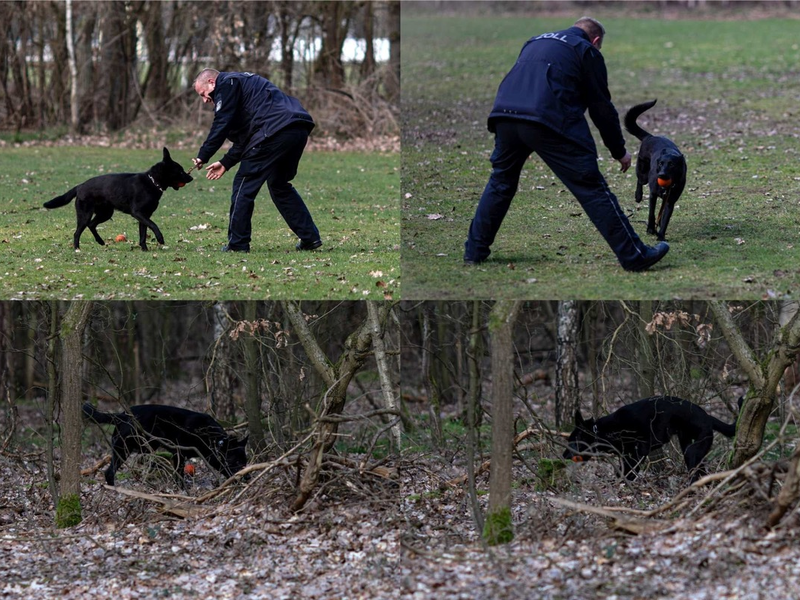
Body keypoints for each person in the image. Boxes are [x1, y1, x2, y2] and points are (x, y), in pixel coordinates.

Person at [463, 17, 669, 271]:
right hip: (548, 118)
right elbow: (601, 107)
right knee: (591, 188)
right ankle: (635, 256)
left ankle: (474, 251)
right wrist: (619, 151)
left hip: (505, 114)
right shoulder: (586, 50)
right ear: (595, 41)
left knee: (500, 182)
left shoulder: (535, 41)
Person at [192, 69, 321, 253]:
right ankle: (310, 238)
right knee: (279, 184)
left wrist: (203, 155)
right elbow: (247, 136)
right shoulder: (246, 89)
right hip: (297, 128)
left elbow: (222, 123)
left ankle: (237, 244)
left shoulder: (227, 84)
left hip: (274, 132)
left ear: (212, 82)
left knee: (243, 185)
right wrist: (226, 162)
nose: (205, 100)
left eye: (203, 94)